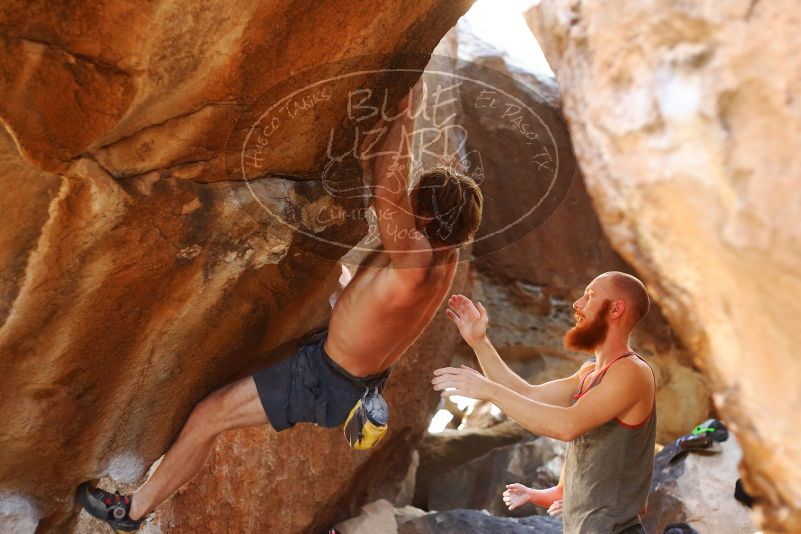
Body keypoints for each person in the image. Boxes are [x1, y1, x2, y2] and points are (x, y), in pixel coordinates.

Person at [77, 87, 484, 532]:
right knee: (215, 408)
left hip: (322, 380)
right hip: (343, 373)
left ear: (424, 222)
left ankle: (131, 512)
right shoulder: (446, 257)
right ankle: (138, 508)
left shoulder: (417, 260)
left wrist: (405, 116)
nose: (406, 206)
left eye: (415, 206)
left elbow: (387, 184)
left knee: (209, 416)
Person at [433, 272, 656, 534]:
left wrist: (489, 390)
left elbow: (566, 426)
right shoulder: (588, 374)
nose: (577, 304)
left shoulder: (631, 371)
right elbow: (528, 394)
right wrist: (479, 343)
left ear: (616, 309)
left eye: (590, 296)